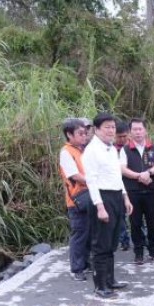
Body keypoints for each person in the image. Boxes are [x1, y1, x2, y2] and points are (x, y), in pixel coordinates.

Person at [81, 112, 134, 298]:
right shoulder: (91, 150)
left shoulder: (111, 148)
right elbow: (91, 181)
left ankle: (110, 280)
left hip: (116, 196)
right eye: (107, 127)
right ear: (96, 129)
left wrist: (125, 197)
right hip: (101, 198)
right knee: (101, 243)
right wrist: (100, 206)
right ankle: (100, 286)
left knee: (112, 242)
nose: (111, 131)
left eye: (113, 127)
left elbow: (117, 176)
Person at [120, 118, 154, 264]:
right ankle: (138, 253)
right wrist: (139, 176)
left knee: (152, 222)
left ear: (145, 130)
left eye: (140, 129)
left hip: (151, 191)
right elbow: (122, 169)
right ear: (130, 132)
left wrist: (149, 172)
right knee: (135, 223)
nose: (138, 132)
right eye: (134, 129)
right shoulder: (125, 149)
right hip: (133, 192)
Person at [58, 118, 92, 282]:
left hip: (90, 196)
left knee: (89, 231)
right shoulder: (66, 152)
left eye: (85, 133)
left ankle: (86, 263)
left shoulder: (82, 150)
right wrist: (94, 180)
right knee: (79, 233)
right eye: (80, 133)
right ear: (69, 134)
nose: (84, 136)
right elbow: (74, 175)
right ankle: (77, 268)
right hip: (77, 199)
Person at [114, 120, 133, 252]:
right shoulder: (110, 150)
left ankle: (141, 238)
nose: (121, 139)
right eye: (119, 136)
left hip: (132, 184)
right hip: (117, 186)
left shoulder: (133, 148)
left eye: (124, 136)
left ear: (128, 134)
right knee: (119, 215)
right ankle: (124, 240)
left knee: (135, 213)